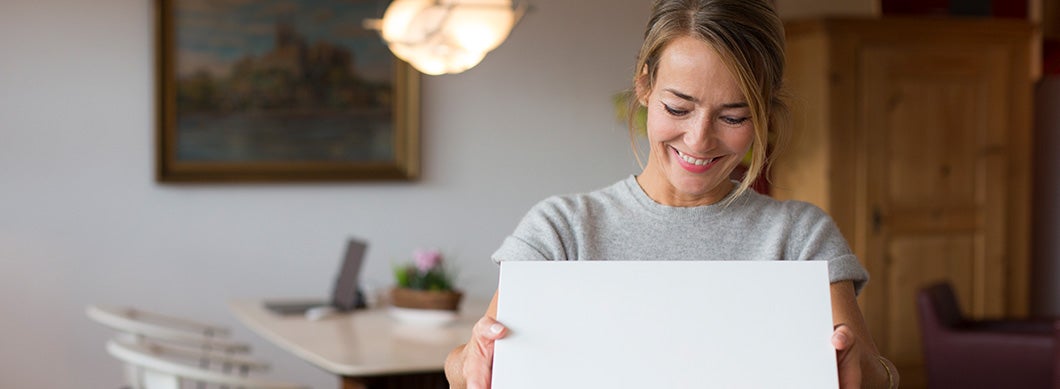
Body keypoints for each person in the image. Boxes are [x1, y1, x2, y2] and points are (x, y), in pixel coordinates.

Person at [444, 0, 899, 387]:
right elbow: (464, 364)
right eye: (678, 107)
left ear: (765, 112)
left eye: (734, 117)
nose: (699, 140)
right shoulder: (561, 229)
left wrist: (860, 369)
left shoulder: (801, 237)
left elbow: (875, 373)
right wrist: (470, 362)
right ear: (644, 85)